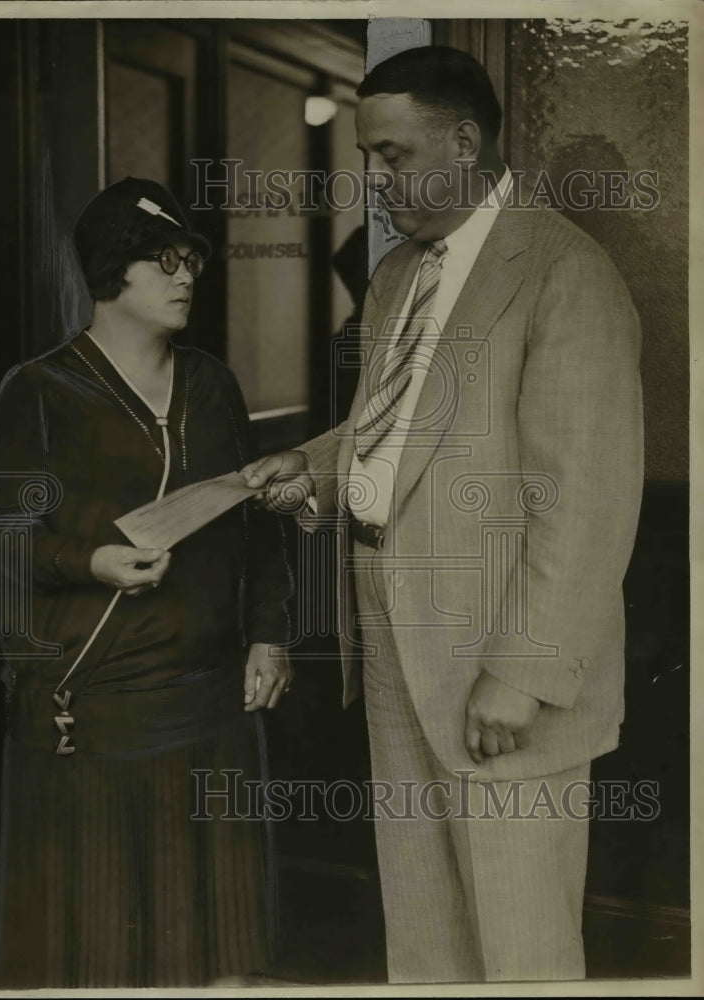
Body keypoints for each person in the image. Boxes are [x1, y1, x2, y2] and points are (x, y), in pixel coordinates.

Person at [244, 46, 643, 983]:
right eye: (368, 157)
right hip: (390, 633)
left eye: (393, 156)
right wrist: (308, 466)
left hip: (501, 655)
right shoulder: (396, 277)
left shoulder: (563, 272)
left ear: (464, 142)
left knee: (518, 939)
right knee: (423, 927)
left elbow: (587, 497)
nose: (374, 179)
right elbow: (395, 432)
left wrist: (522, 674)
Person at [0, 176, 293, 988]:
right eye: (163, 262)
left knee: (221, 948)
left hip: (215, 700)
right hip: (102, 707)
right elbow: (1, 539)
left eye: (189, 260)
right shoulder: (40, 390)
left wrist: (268, 633)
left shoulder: (213, 382)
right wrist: (92, 561)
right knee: (103, 948)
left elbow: (256, 522)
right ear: (109, 274)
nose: (186, 276)